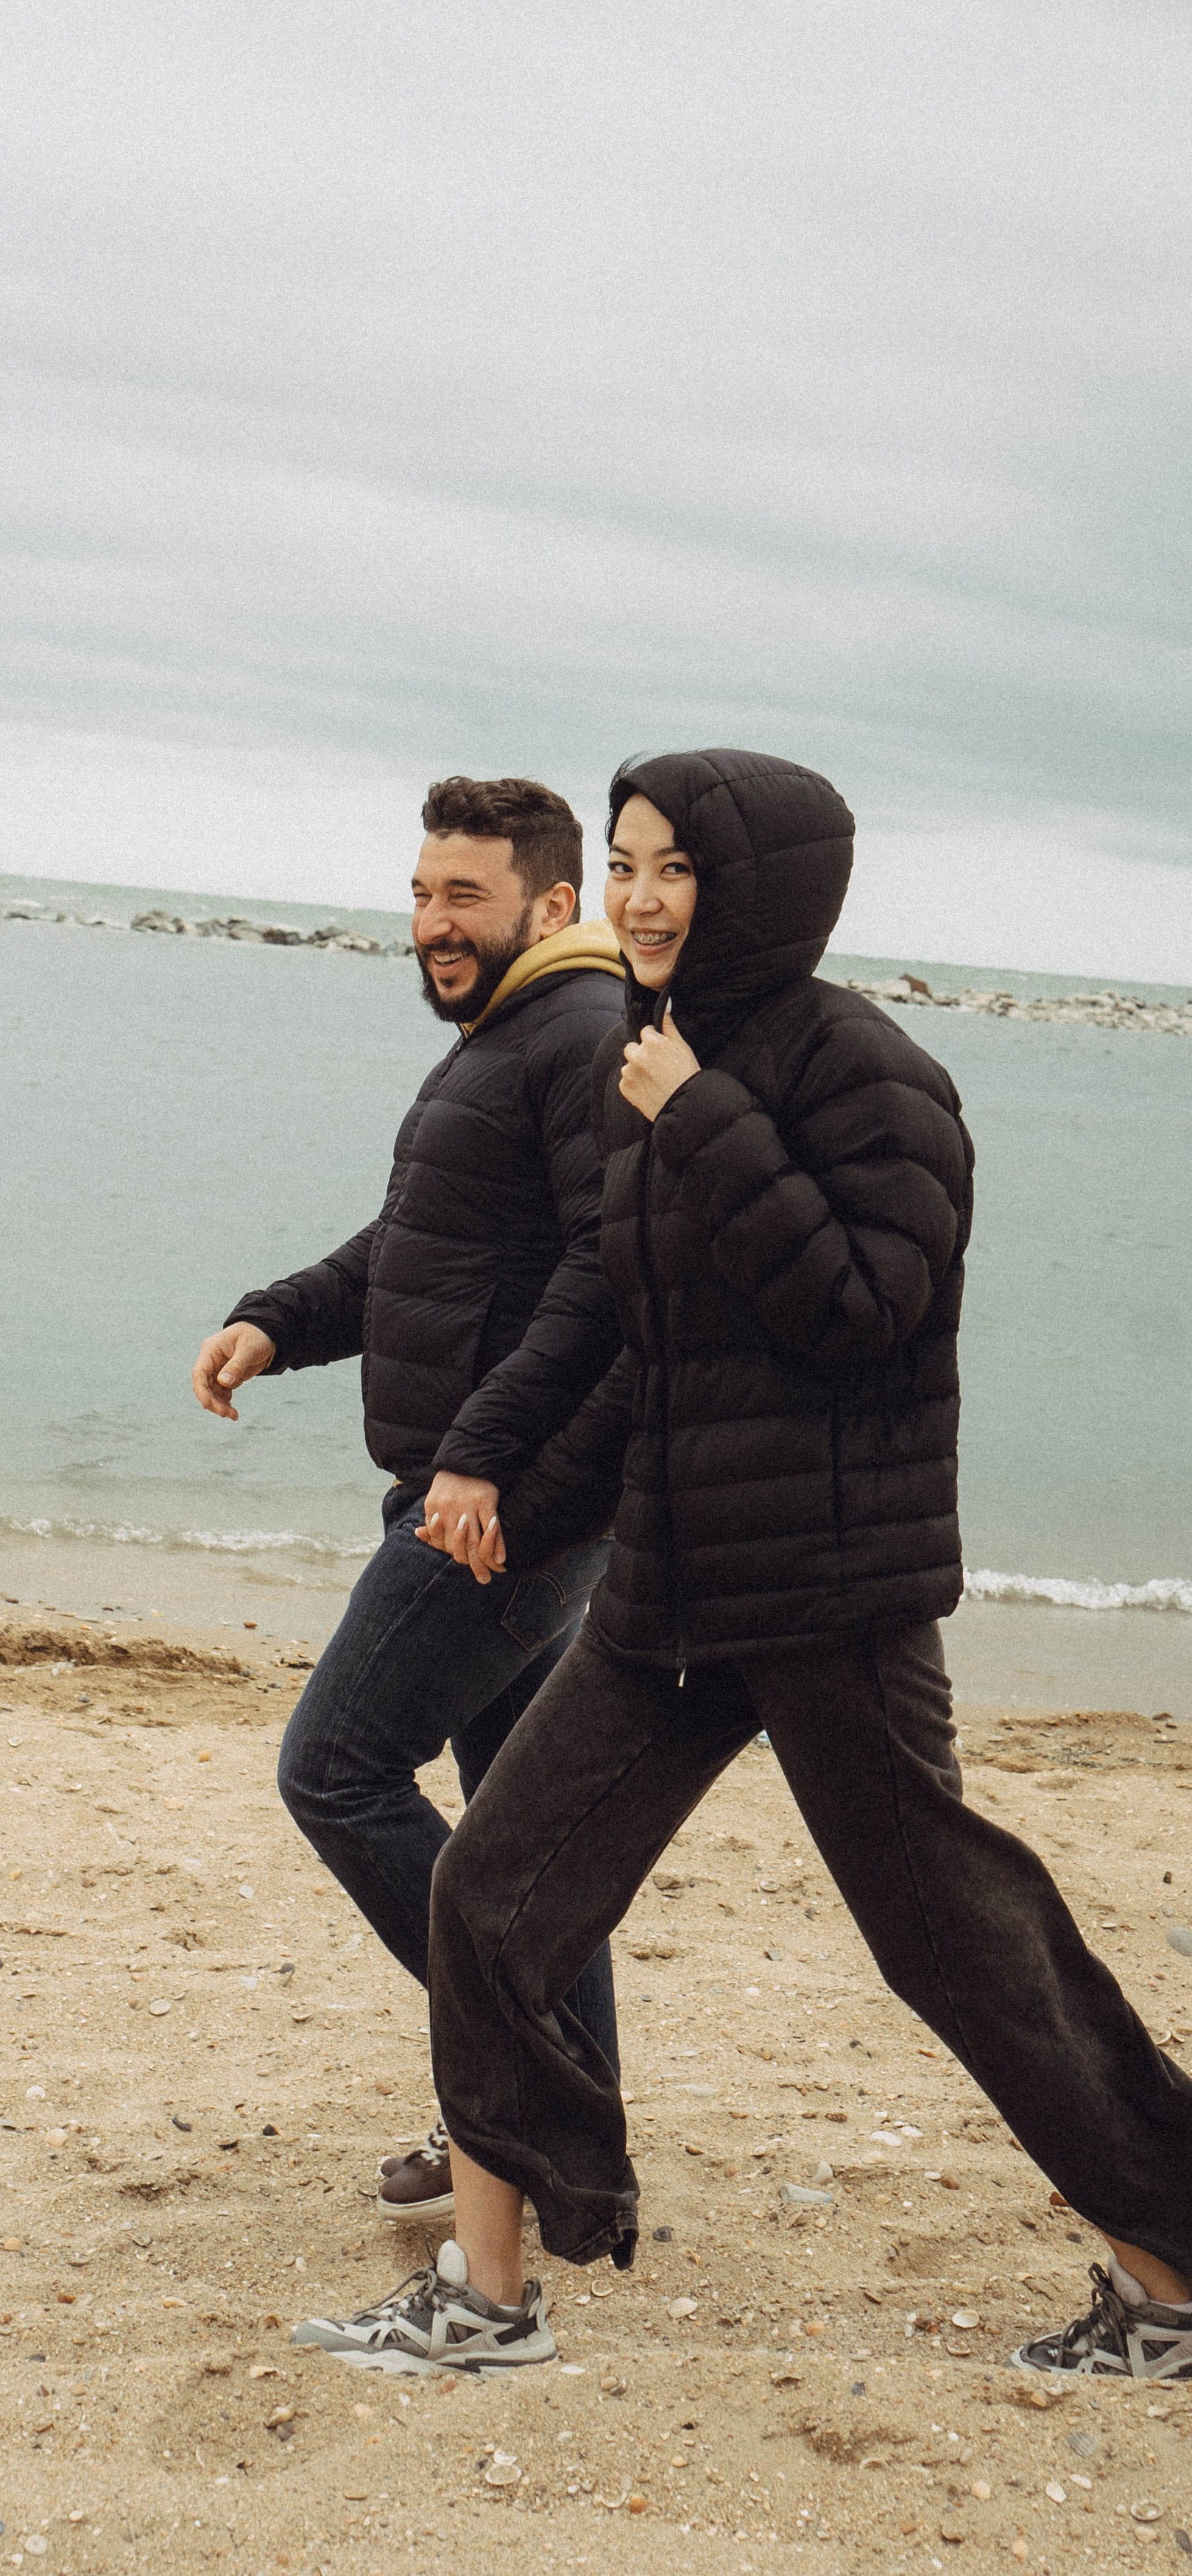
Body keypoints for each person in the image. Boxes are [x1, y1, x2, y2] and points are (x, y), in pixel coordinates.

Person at [295, 746, 1192, 2379]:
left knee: (954, 1941)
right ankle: (488, 2301)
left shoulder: (864, 1075)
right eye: (624, 864)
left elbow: (863, 1311)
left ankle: (1171, 2276)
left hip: (830, 1593)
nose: (638, 899)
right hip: (670, 1584)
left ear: (754, 886)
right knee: (491, 1901)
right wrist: (489, 1456)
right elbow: (616, 1324)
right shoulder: (643, 1059)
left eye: (672, 869)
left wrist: (704, 1120)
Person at [192, 775, 627, 2219]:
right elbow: (415, 1248)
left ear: (550, 906)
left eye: (465, 898)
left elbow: (604, 1277)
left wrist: (493, 1465)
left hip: (493, 1514)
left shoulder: (574, 1039)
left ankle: (524, 2094)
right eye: (420, 895)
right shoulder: (502, 1042)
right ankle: (560, 2130)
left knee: (333, 1769)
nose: (432, 925)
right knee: (518, 1832)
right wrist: (278, 1318)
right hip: (484, 1499)